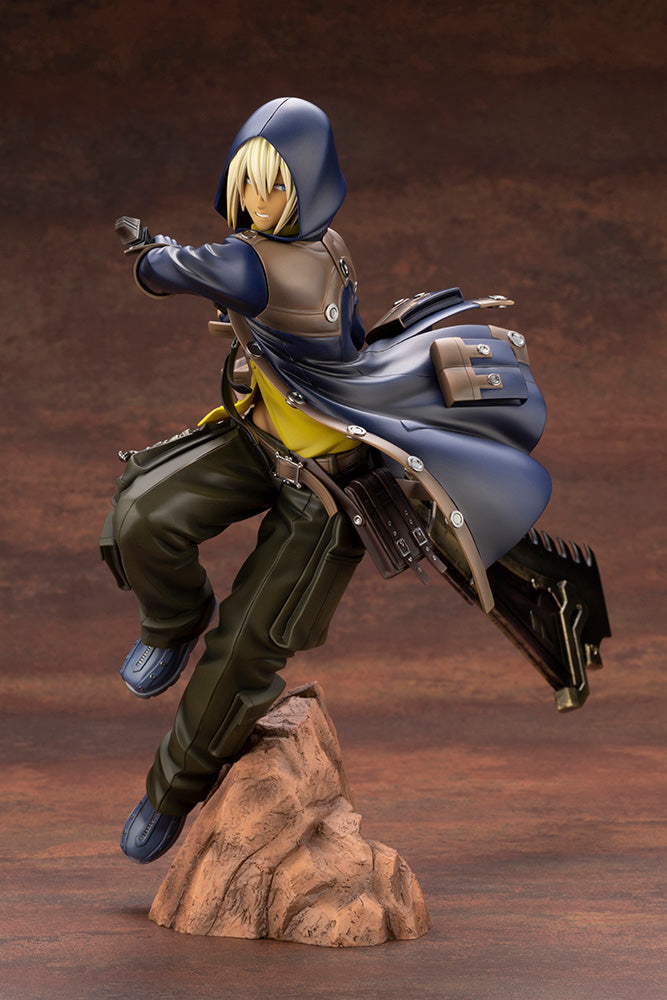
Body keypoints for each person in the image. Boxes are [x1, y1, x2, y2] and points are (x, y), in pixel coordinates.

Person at [106, 97, 372, 863]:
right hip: (260, 435)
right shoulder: (328, 248)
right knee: (143, 511)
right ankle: (172, 621)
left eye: (276, 185)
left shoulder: (256, 263)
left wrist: (149, 253)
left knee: (244, 652)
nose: (257, 201)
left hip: (323, 488)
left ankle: (171, 792)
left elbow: (171, 271)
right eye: (247, 182)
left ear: (309, 188)